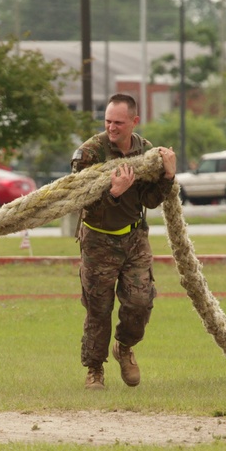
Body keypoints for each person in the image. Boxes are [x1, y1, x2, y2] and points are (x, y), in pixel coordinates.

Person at [71, 93, 177, 390]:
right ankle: (94, 369)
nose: (112, 127)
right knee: (98, 308)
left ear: (134, 121)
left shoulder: (145, 152)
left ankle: (125, 347)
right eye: (107, 121)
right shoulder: (89, 153)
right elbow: (80, 201)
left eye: (118, 122)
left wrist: (167, 176)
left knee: (141, 302)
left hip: (133, 238)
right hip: (98, 241)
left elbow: (150, 200)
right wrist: (114, 193)